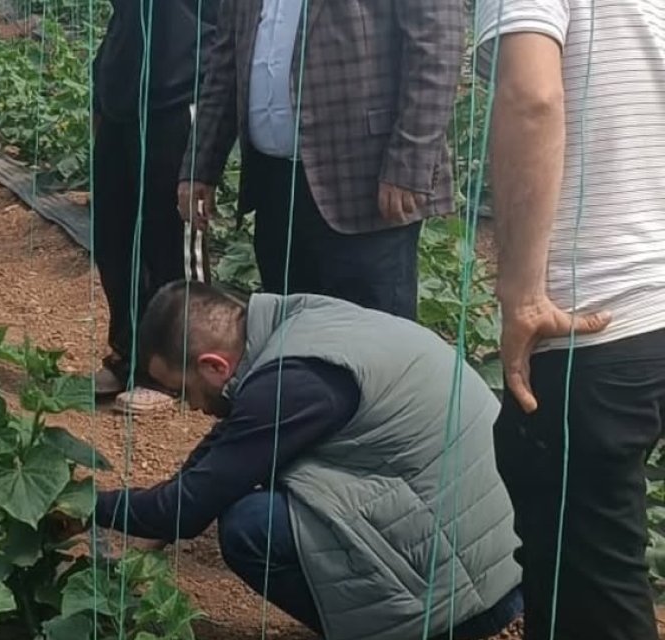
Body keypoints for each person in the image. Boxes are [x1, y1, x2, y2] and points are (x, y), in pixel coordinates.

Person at [86, 281, 523, 640]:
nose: (189, 406)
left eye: (183, 391)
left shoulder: (295, 383)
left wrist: (83, 501)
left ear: (215, 365)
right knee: (268, 481)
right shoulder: (298, 324)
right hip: (496, 547)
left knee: (249, 526)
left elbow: (183, 512)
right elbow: (228, 445)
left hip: (468, 595)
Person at [477, 1, 665, 638]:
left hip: (595, 319)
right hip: (653, 294)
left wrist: (523, 295)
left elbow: (531, 95)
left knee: (588, 587)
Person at [179, 0, 464, 320]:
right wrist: (200, 166)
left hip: (365, 183)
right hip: (275, 182)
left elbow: (439, 44)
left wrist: (410, 162)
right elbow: (225, 58)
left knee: (368, 336)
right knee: (289, 331)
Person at [90, 0, 218, 415]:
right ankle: (130, 355)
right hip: (121, 99)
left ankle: (178, 368)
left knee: (172, 237)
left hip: (178, 94)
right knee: (113, 233)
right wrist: (100, 90)